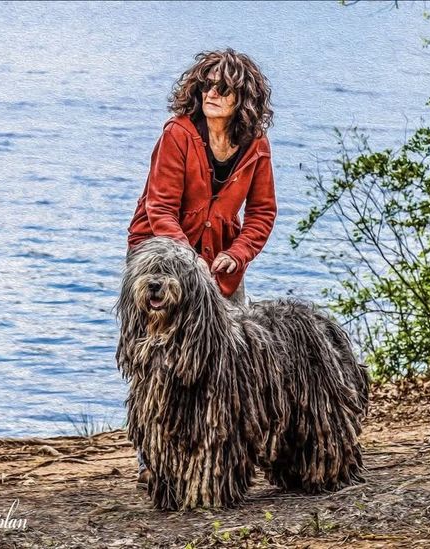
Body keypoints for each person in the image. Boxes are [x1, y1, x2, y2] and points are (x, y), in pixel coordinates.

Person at [125, 49, 277, 485]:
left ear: (242, 98)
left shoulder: (256, 145)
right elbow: (160, 208)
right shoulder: (177, 133)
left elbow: (263, 213)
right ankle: (153, 461)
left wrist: (239, 253)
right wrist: (187, 261)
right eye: (207, 84)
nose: (212, 93)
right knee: (156, 362)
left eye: (223, 88)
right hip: (160, 259)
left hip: (221, 266)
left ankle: (222, 452)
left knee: (230, 359)